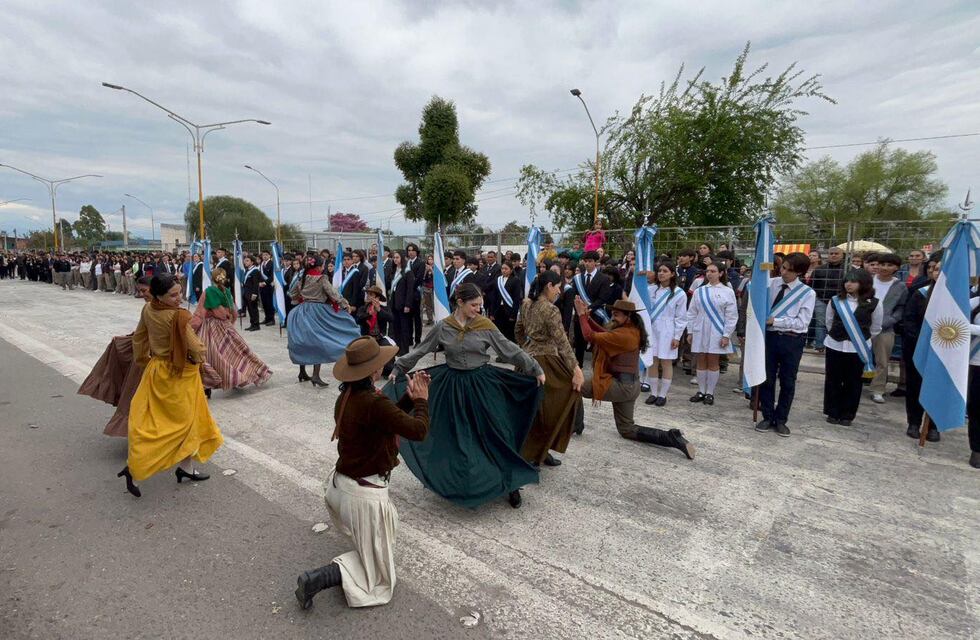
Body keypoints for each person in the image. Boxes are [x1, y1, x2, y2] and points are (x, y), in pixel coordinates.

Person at [293, 337, 430, 610]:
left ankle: (364, 553)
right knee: (380, 578)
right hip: (362, 498)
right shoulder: (372, 403)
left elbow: (383, 420)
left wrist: (408, 398)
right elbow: (418, 431)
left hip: (341, 488)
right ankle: (319, 578)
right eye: (379, 362)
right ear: (374, 371)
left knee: (382, 545)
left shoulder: (347, 397)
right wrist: (423, 402)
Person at [388, 283, 545, 509]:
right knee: (457, 437)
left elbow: (509, 349)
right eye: (474, 305)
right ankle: (462, 482)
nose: (478, 309)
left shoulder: (485, 325)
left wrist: (535, 368)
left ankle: (511, 483)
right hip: (453, 385)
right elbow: (420, 350)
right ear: (460, 303)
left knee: (497, 433)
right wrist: (398, 368)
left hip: (482, 384)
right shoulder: (443, 327)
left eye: (480, 305)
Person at [120, 273, 223, 498]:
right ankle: (135, 468)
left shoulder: (148, 309)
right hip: (180, 374)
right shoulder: (176, 317)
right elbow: (195, 348)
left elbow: (139, 338)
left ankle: (186, 468)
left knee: (173, 422)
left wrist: (144, 361)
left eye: (179, 293)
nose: (179, 298)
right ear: (158, 295)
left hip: (157, 370)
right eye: (173, 295)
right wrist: (202, 359)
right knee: (178, 426)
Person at [572, 298, 694, 458]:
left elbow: (590, 336)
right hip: (630, 386)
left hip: (620, 386)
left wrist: (581, 316)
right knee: (627, 430)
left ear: (628, 316)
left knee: (575, 386)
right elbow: (605, 334)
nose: (613, 317)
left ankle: (576, 425)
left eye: (616, 314)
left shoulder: (625, 335)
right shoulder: (630, 330)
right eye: (612, 313)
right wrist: (587, 318)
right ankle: (671, 437)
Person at [515, 271, 584, 467]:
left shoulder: (526, 304)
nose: (559, 291)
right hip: (545, 363)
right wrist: (576, 369)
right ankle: (535, 452)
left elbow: (518, 330)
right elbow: (562, 342)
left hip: (526, 361)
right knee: (550, 408)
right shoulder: (550, 310)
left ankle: (540, 451)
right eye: (558, 286)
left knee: (530, 409)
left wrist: (526, 348)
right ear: (549, 286)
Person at [754, 252, 816, 437]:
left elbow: (802, 323)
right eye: (783, 267)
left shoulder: (807, 293)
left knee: (788, 381)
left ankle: (781, 419)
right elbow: (756, 294)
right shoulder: (771, 284)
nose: (784, 272)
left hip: (792, 340)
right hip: (770, 339)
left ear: (799, 273)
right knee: (767, 379)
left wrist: (777, 321)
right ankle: (767, 416)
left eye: (790, 270)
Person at [191, 267, 272, 392]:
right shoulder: (227, 291)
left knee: (212, 355)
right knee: (236, 352)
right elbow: (233, 311)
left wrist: (192, 327)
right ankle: (246, 373)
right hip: (225, 325)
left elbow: (202, 312)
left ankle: (214, 380)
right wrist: (229, 322)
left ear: (212, 278)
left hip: (211, 326)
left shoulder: (209, 291)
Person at [287, 255, 362, 388]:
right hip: (317, 312)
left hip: (302, 311)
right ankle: (315, 375)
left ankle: (302, 372)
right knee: (319, 342)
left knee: (303, 341)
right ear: (319, 267)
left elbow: (292, 294)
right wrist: (345, 305)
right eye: (323, 265)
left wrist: (304, 296)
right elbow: (334, 294)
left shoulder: (302, 278)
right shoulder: (322, 278)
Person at [822, 269, 882, 426]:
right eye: (847, 281)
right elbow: (828, 321)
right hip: (835, 345)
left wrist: (859, 340)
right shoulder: (835, 300)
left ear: (864, 283)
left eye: (853, 281)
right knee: (833, 380)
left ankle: (848, 414)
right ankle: (832, 412)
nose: (849, 284)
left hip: (858, 349)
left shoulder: (874, 303)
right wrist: (839, 334)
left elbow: (875, 328)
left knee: (854, 382)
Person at [901, 252, 942, 441]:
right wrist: (922, 340)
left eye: (940, 269)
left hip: (944, 351)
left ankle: (934, 425)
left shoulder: (959, 298)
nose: (936, 272)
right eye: (933, 268)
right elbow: (908, 320)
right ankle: (914, 422)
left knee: (939, 388)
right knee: (915, 386)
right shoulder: (920, 292)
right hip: (919, 347)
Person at [685, 263, 737, 405]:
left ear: (721, 273)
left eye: (713, 271)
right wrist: (690, 331)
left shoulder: (727, 291)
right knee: (701, 359)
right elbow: (692, 313)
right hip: (700, 329)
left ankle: (710, 392)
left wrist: (726, 335)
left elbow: (731, 315)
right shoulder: (699, 291)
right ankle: (701, 391)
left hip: (717, 330)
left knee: (713, 361)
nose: (709, 273)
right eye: (708, 271)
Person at [643, 262, 688, 406]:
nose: (661, 273)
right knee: (652, 362)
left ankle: (663, 395)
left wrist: (677, 337)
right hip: (652, 329)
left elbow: (681, 317)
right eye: (659, 271)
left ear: (672, 274)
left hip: (668, 330)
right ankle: (654, 393)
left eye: (665, 271)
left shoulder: (679, 293)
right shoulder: (651, 290)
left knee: (666, 362)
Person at [869, 253, 908, 404]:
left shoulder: (900, 286)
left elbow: (901, 307)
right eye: (882, 264)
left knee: (882, 360)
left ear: (896, 268)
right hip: (863, 326)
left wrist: (891, 320)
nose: (884, 268)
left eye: (889, 265)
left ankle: (878, 389)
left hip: (885, 328)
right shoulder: (868, 281)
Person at [571, 251, 614, 366]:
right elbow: (574, 296)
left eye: (590, 261)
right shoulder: (577, 278)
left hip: (596, 316)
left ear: (596, 262)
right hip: (580, 316)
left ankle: (596, 370)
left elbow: (603, 298)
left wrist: (590, 308)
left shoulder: (604, 278)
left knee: (596, 345)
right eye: (585, 261)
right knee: (579, 344)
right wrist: (580, 308)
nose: (587, 264)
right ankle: (578, 368)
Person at [810, 247, 847, 352]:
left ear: (842, 255)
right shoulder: (819, 269)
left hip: (841, 301)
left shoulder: (847, 270)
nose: (834, 255)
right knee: (820, 324)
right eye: (831, 253)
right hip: (821, 300)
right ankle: (819, 346)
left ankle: (835, 346)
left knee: (839, 323)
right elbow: (812, 285)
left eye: (836, 253)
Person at [387, 250, 416, 355]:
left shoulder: (407, 271)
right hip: (394, 303)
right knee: (396, 327)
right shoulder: (394, 270)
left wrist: (408, 305)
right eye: (394, 257)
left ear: (402, 259)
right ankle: (397, 349)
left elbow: (410, 290)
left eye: (397, 257)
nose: (395, 259)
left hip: (403, 304)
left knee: (404, 328)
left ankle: (404, 350)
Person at [492, 260, 523, 342]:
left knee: (509, 334)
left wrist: (513, 314)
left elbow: (516, 299)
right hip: (498, 310)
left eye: (506, 269)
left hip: (509, 310)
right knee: (499, 333)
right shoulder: (498, 280)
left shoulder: (515, 280)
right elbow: (494, 297)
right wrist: (492, 312)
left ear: (511, 270)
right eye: (502, 269)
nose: (503, 270)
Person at [242, 255, 262, 331]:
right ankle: (252, 324)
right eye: (245, 260)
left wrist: (254, 294)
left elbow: (255, 283)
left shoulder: (255, 270)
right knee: (250, 309)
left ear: (252, 262)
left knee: (253, 309)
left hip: (252, 293)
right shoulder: (247, 270)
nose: (245, 262)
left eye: (247, 260)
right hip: (246, 292)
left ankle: (256, 325)